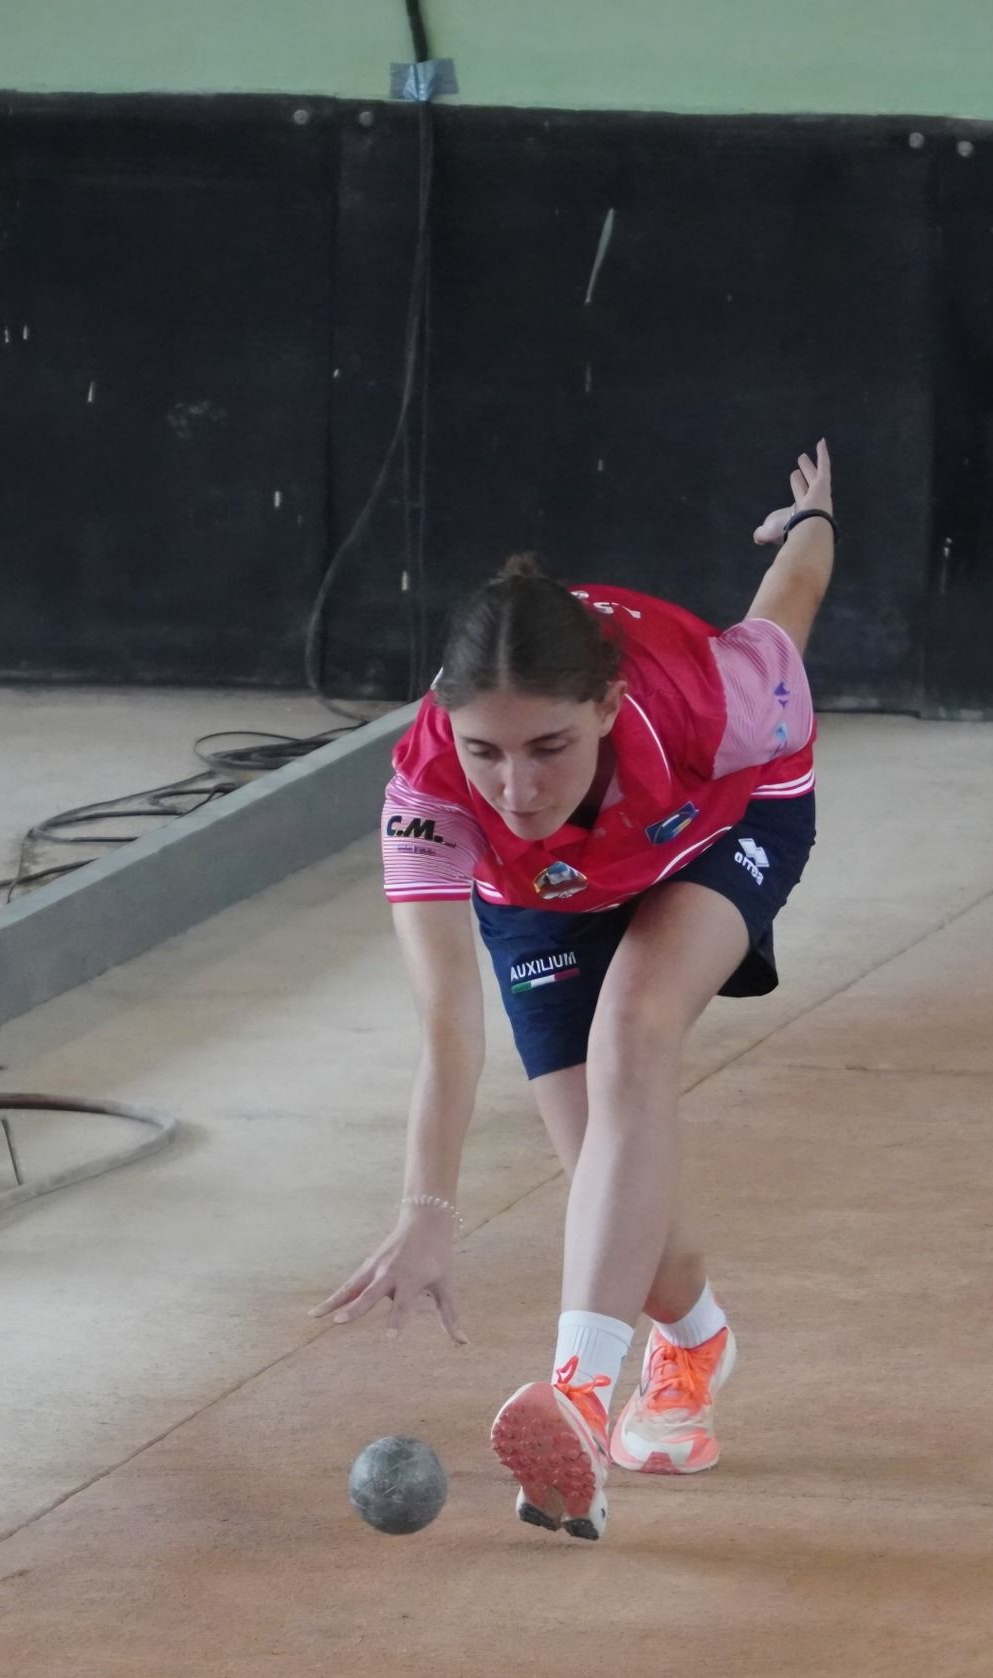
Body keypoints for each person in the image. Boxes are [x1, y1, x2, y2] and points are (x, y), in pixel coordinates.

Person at [314, 442, 835, 1541]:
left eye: (547, 746)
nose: (515, 786)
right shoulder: (427, 795)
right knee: (611, 1185)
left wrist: (808, 525)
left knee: (634, 1027)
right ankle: (692, 1340)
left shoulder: (715, 695)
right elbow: (448, 1027)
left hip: (717, 830)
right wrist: (424, 1212)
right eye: (486, 752)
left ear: (605, 702)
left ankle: (579, 1399)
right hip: (544, 899)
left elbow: (785, 606)